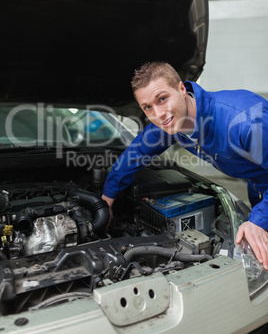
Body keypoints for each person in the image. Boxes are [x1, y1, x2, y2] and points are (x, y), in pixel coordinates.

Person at [102, 61, 268, 269]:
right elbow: (134, 155)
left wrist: (259, 220)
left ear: (182, 89)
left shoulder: (245, 123)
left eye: (162, 99)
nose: (158, 114)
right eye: (148, 107)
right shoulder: (173, 122)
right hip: (258, 183)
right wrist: (107, 198)